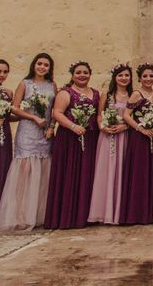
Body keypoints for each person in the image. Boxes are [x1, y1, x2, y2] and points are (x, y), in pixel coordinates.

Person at [0, 53, 56, 232]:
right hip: (27, 131)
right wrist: (32, 117)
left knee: (43, 170)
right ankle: (21, 216)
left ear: (49, 68)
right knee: (25, 171)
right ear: (34, 65)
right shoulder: (25, 83)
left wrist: (51, 127)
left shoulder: (52, 85)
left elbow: (54, 109)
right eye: (39, 64)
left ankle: (39, 215)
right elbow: (14, 107)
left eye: (46, 65)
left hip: (45, 133)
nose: (42, 67)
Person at [44, 61, 100, 229]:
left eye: (85, 72)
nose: (82, 75)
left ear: (90, 74)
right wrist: (73, 126)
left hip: (89, 138)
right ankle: (66, 217)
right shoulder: (65, 92)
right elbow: (57, 113)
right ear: (72, 75)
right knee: (69, 173)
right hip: (69, 139)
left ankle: (83, 216)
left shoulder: (96, 93)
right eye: (78, 72)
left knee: (86, 174)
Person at [87, 63, 132, 225]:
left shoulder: (133, 95)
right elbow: (99, 115)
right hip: (107, 137)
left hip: (125, 136)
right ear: (115, 77)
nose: (124, 78)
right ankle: (103, 212)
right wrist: (103, 127)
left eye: (127, 75)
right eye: (120, 75)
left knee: (122, 170)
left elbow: (135, 118)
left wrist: (124, 126)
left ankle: (120, 211)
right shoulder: (107, 95)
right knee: (106, 170)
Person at [120, 62, 153, 225]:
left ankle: (149, 212)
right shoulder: (136, 94)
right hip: (138, 137)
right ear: (139, 78)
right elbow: (126, 115)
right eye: (145, 76)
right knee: (139, 172)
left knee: (152, 171)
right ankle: (135, 213)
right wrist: (140, 129)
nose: (148, 79)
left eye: (151, 76)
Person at [0, 59, 14, 232]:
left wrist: (28, 116)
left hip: (3, 137)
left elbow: (8, 116)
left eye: (5, 72)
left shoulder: (7, 93)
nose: (2, 75)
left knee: (1, 172)